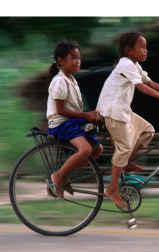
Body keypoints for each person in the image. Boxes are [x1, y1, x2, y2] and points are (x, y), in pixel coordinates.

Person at [96, 32, 159, 208]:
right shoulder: (126, 64)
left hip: (123, 110)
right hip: (112, 111)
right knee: (124, 147)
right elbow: (140, 87)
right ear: (128, 50)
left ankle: (124, 163)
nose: (146, 50)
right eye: (142, 47)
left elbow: (150, 83)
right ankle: (112, 189)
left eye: (146, 47)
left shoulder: (135, 65)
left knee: (148, 131)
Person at [46, 41, 103, 197]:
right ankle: (58, 176)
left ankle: (64, 173)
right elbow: (60, 110)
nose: (78, 61)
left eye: (79, 57)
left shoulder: (72, 80)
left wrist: (91, 115)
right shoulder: (60, 81)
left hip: (71, 122)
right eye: (74, 58)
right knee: (85, 149)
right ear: (61, 61)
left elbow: (73, 109)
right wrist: (86, 115)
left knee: (96, 149)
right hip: (61, 123)